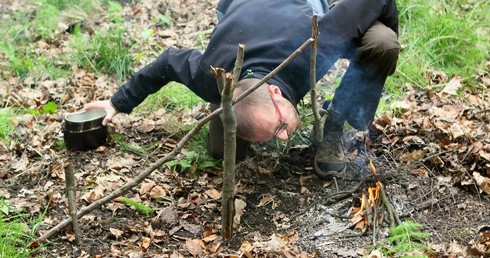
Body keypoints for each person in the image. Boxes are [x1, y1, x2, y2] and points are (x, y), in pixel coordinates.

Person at [84, 0, 400, 179]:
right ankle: (231, 115)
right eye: (277, 130)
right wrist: (116, 104)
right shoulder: (213, 77)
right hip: (239, 8)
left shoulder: (314, 41)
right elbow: (168, 61)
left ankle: (334, 130)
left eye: (278, 127)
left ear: (276, 95)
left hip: (298, 7)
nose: (286, 138)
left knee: (382, 42)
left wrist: (371, 78)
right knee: (222, 152)